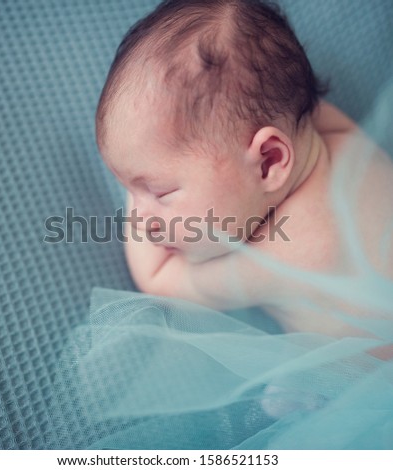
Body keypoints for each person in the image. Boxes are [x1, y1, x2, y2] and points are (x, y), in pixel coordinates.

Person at [95, 0, 393, 339]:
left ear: (268, 162)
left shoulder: (287, 253)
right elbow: (274, 100)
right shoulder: (326, 133)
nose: (141, 220)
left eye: (160, 193)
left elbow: (160, 279)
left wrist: (135, 188)